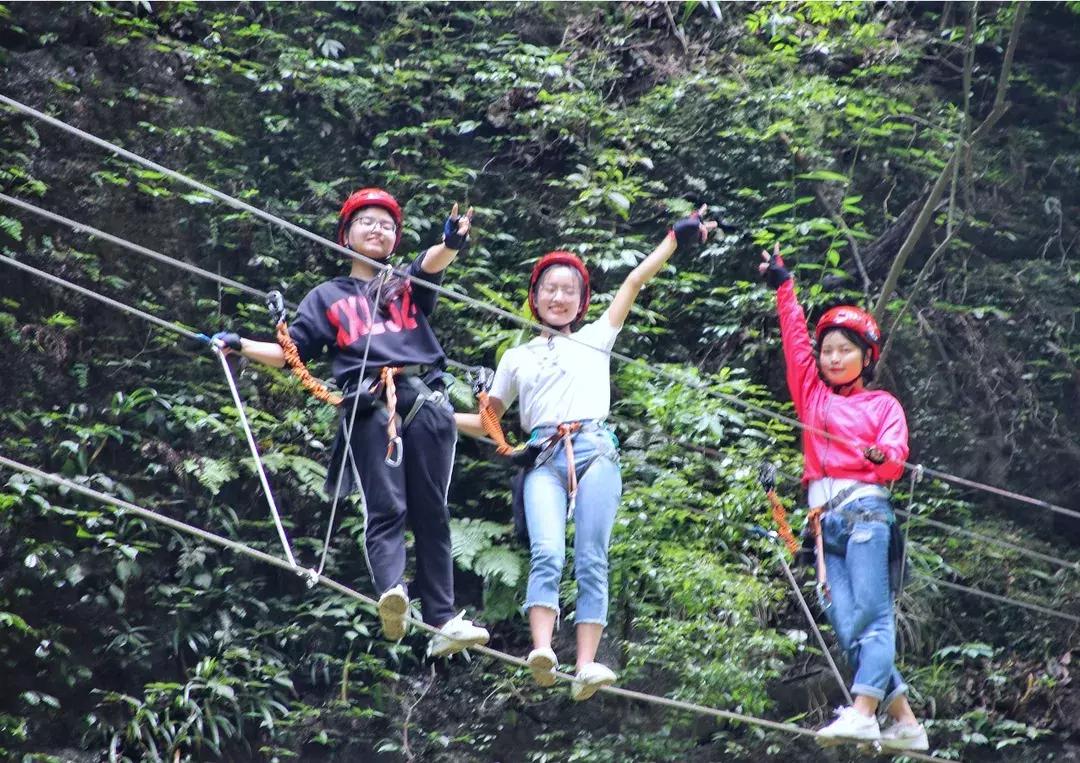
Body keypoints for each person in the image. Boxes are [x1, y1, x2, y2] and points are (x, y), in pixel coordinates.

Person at [213, 187, 489, 658]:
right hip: (369, 404)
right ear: (346, 235)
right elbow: (290, 353)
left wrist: (451, 242)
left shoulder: (405, 284)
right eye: (367, 222)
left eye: (387, 224)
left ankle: (442, 619)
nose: (377, 229)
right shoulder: (326, 297)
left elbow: (432, 263)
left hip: (423, 401)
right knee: (387, 506)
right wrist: (240, 343)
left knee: (432, 513)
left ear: (396, 238)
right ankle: (392, 593)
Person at [456, 207, 717, 700]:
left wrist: (673, 241)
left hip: (594, 449)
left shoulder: (597, 338)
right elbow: (487, 423)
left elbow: (635, 282)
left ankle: (587, 663)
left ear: (581, 303)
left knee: (592, 556)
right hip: (541, 455)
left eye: (568, 291)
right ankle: (542, 651)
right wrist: (429, 413)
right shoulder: (517, 357)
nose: (559, 297)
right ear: (535, 299)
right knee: (548, 551)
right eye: (550, 289)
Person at [758, 244, 928, 751]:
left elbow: (896, 458)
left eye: (844, 350)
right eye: (828, 349)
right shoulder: (810, 395)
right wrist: (784, 288)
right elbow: (794, 343)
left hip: (866, 514)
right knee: (847, 625)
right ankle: (907, 724)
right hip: (821, 522)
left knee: (872, 618)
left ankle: (862, 712)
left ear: (865, 357)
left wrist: (879, 455)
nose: (832, 358)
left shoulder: (882, 404)